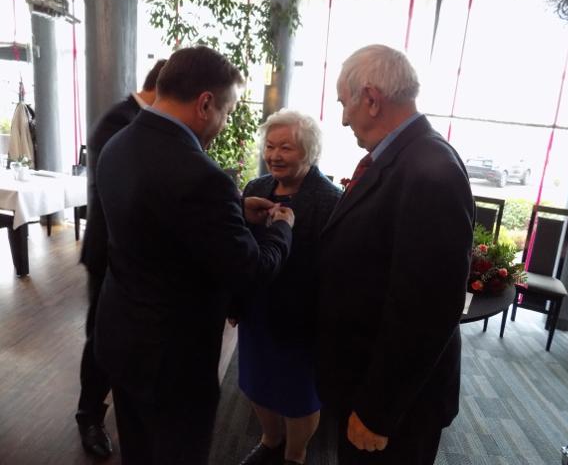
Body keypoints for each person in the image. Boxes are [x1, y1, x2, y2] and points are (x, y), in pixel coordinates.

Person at [93, 46, 295, 465]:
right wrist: (281, 229)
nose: (225, 123)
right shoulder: (201, 175)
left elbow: (153, 219)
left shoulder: (117, 143)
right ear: (205, 103)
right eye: (227, 111)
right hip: (173, 360)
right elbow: (250, 270)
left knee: (138, 451)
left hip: (121, 337)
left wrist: (234, 209)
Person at [315, 44, 475, 464]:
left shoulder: (430, 170)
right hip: (366, 381)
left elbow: (427, 309)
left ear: (371, 99)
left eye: (344, 104)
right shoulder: (406, 158)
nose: (344, 118)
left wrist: (377, 411)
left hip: (393, 407)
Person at [235, 109, 342, 465]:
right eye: (270, 146)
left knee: (299, 395)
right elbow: (241, 252)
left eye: (286, 147)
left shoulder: (331, 200)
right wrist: (235, 301)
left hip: (302, 318)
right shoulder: (256, 188)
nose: (274, 155)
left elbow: (334, 271)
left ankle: (295, 454)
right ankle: (270, 439)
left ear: (309, 152)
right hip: (257, 310)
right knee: (255, 381)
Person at [76, 58, 166, 458]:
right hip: (109, 251)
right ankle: (89, 415)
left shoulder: (141, 119)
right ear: (163, 90)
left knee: (124, 336)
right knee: (101, 337)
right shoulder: (119, 121)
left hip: (134, 254)